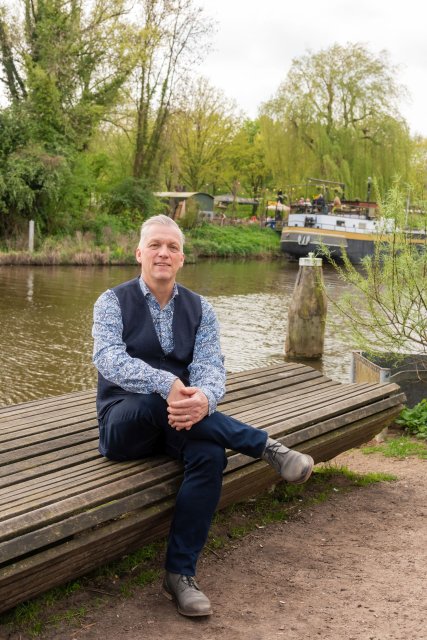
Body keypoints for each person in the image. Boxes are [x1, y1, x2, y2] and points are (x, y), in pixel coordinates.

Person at [92, 214, 314, 618]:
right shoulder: (112, 302)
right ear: (139, 253)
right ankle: (264, 446)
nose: (164, 252)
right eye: (156, 245)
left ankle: (180, 575)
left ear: (182, 258)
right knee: (153, 401)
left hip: (181, 421)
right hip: (124, 424)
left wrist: (205, 400)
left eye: (172, 247)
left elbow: (211, 366)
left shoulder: (201, 308)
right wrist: (166, 384)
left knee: (211, 456)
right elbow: (107, 359)